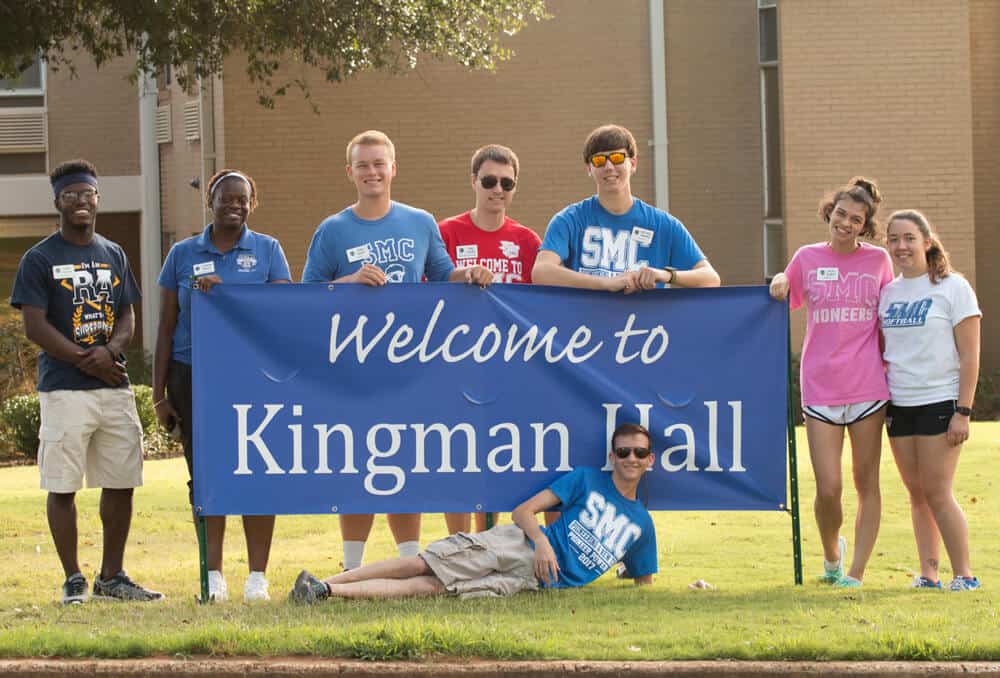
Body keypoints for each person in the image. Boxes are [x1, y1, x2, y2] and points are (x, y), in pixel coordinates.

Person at [302, 130, 493, 570]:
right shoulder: (333, 230)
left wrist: (469, 274)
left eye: (379, 163)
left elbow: (442, 273)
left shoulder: (419, 221)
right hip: (355, 368)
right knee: (359, 462)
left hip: (413, 364)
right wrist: (348, 282)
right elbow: (306, 294)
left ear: (393, 167)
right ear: (350, 172)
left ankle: (408, 560)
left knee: (405, 458)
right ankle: (352, 566)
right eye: (363, 165)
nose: (372, 172)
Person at [10, 159, 162, 604]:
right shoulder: (39, 258)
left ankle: (111, 576)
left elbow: (128, 314)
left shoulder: (113, 253)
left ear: (98, 199)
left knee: (121, 479)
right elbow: (34, 326)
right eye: (71, 195)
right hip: (64, 388)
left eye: (88, 194)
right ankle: (73, 578)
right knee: (63, 484)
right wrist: (85, 359)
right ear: (57, 201)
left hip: (112, 387)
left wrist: (110, 352)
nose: (81, 202)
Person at [288, 422, 658, 602]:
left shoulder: (642, 525)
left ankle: (324, 593)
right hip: (519, 546)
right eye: (623, 452)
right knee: (424, 563)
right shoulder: (586, 479)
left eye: (639, 453)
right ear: (612, 457)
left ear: (649, 460)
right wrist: (543, 541)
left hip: (529, 583)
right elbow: (523, 512)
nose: (630, 459)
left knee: (433, 588)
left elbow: (645, 587)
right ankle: (330, 581)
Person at [153, 169, 292, 601]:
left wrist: (227, 294)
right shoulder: (182, 253)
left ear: (253, 203)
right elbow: (166, 326)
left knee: (258, 469)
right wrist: (159, 394)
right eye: (224, 199)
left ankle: (257, 578)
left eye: (241, 199)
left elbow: (284, 311)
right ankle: (212, 574)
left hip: (253, 376)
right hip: (193, 373)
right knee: (207, 474)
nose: (233, 205)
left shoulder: (268, 250)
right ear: (209, 203)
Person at [769, 177, 893, 588]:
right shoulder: (806, 258)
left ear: (865, 226)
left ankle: (855, 573)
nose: (845, 223)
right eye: (841, 214)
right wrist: (779, 280)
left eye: (856, 219)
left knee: (866, 481)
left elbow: (890, 321)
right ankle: (831, 555)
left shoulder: (878, 263)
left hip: (868, 388)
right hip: (820, 387)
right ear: (830, 212)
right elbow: (784, 291)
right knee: (828, 488)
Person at [437, 144, 541, 534]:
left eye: (507, 183)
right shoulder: (446, 232)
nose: (498, 190)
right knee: (460, 456)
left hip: (513, 367)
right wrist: (462, 277)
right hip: (458, 365)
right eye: (489, 181)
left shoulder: (529, 241)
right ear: (474, 181)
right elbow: (427, 289)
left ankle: (502, 541)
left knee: (508, 454)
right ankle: (459, 545)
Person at [879, 210, 982, 591]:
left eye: (908, 238)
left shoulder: (953, 287)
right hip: (899, 405)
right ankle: (929, 574)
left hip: (940, 402)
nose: (900, 246)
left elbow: (970, 355)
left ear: (926, 241)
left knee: (938, 491)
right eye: (893, 239)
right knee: (917, 494)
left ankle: (965, 575)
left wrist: (963, 412)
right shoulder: (888, 292)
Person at [532, 123, 720, 293]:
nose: (608, 166)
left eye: (617, 157)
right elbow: (541, 272)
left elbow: (710, 279)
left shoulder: (663, 224)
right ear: (589, 168)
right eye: (599, 160)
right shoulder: (570, 219)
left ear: (633, 163)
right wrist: (606, 283)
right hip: (584, 329)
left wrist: (665, 275)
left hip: (643, 329)